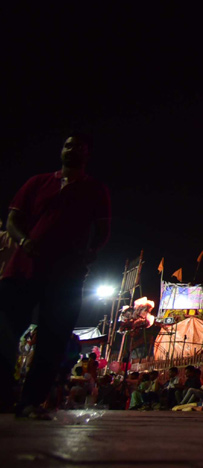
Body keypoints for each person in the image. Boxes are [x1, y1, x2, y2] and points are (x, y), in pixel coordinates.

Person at [0, 134, 111, 419]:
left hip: (66, 273)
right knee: (6, 329)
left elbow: (102, 230)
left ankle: (30, 402)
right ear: (61, 151)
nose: (72, 149)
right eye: (68, 145)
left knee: (53, 337)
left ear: (87, 155)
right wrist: (24, 242)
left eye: (79, 146)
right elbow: (13, 221)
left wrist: (90, 252)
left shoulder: (95, 190)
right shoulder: (38, 183)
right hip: (24, 267)